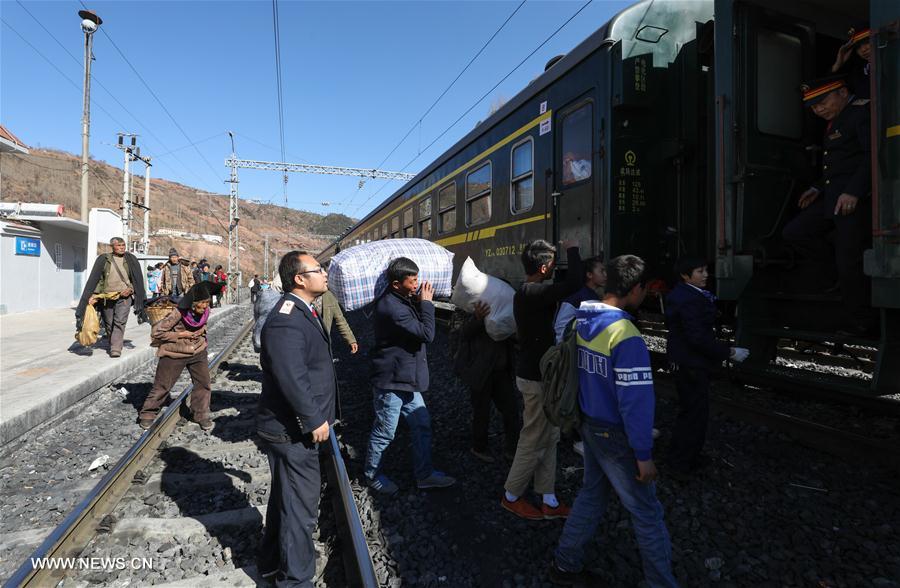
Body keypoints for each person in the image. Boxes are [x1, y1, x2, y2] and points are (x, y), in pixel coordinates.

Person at [550, 255, 677, 588]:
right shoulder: (626, 334)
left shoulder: (581, 320)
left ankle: (565, 563)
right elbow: (635, 402)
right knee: (647, 513)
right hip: (615, 433)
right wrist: (643, 453)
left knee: (592, 494)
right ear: (636, 289)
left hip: (589, 423)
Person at [256, 251, 337, 586]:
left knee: (284, 499)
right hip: (292, 431)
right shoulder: (288, 317)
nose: (325, 274)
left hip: (291, 428)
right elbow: (291, 375)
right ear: (300, 279)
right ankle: (295, 580)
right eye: (319, 270)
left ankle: (270, 561)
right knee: (300, 512)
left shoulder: (302, 310)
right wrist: (314, 418)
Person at [782, 74, 872, 335]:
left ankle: (863, 322)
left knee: (850, 262)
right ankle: (833, 275)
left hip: (853, 201)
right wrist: (816, 187)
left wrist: (855, 192)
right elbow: (838, 164)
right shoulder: (836, 120)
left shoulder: (861, 112)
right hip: (833, 197)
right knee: (795, 232)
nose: (818, 109)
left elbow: (871, 156)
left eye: (822, 102)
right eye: (813, 106)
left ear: (843, 92)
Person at [502, 239, 582, 520]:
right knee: (533, 437)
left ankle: (549, 498)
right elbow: (574, 281)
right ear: (545, 267)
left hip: (541, 376)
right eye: (552, 265)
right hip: (535, 378)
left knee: (550, 436)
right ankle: (511, 495)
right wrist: (573, 249)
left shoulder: (528, 292)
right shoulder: (531, 293)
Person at [365, 257, 456, 495]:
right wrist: (426, 303)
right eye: (412, 280)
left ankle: (424, 474)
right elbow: (426, 334)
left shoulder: (399, 300)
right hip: (392, 381)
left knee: (422, 425)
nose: (418, 283)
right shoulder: (391, 307)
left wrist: (417, 302)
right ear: (396, 284)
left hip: (406, 379)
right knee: (385, 431)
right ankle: (372, 475)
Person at [664, 257, 749, 477]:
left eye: (706, 271)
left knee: (691, 411)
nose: (705, 275)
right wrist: (729, 352)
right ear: (685, 275)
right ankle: (681, 463)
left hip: (687, 361)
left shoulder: (685, 295)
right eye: (699, 271)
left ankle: (684, 456)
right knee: (694, 413)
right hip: (691, 363)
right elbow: (697, 337)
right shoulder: (689, 299)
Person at [139, 282, 215, 430]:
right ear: (193, 303)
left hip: (198, 350)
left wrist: (201, 331)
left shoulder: (205, 312)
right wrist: (181, 334)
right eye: (202, 303)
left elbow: (203, 324)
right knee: (163, 385)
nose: (205, 306)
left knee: (203, 383)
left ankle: (201, 414)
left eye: (207, 302)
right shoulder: (178, 313)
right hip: (174, 353)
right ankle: (147, 414)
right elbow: (157, 332)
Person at [451, 301, 519, 463]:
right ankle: (479, 447)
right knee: (482, 412)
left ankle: (513, 448)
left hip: (501, 371)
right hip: (481, 371)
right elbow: (463, 333)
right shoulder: (475, 309)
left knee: (511, 411)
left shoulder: (507, 316)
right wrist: (478, 318)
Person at [75, 237, 146, 358]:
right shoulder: (104, 259)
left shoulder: (130, 259)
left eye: (123, 245)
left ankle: (115, 348)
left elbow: (137, 279)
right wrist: (94, 296)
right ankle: (113, 341)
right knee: (109, 323)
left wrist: (131, 290)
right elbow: (96, 279)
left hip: (124, 297)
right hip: (106, 297)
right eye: (118, 245)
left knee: (120, 321)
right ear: (112, 247)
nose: (122, 247)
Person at [553, 256, 606, 344]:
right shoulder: (577, 294)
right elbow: (560, 325)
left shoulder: (593, 294)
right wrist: (563, 348)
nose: (605, 275)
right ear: (589, 275)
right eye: (601, 271)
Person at [313, 289, 358, 354]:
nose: (325, 280)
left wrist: (350, 339)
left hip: (323, 342)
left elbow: (340, 320)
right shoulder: (299, 298)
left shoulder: (328, 296)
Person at [831, 26, 871, 99]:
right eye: (858, 47)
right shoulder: (858, 74)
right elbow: (829, 89)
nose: (863, 49)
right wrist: (838, 64)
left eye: (867, 42)